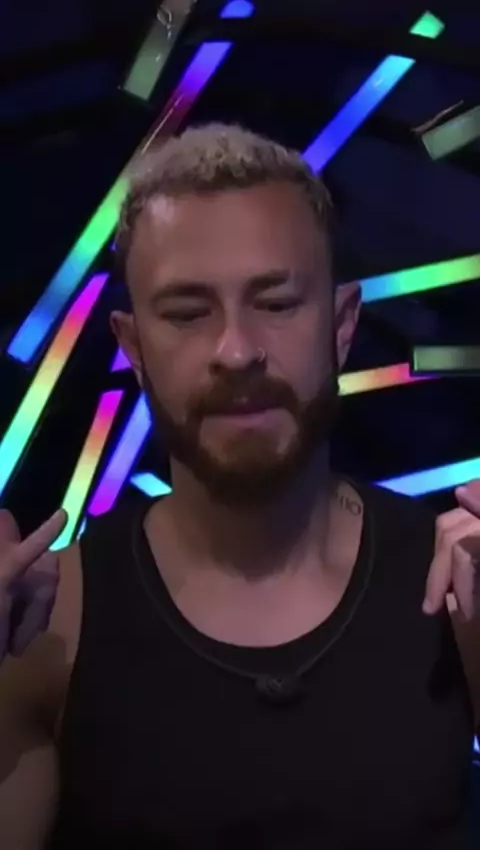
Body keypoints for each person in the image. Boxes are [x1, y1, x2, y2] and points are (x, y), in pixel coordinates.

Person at [0, 123, 479, 849]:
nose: (236, 350)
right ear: (133, 346)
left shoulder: (458, 589)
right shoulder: (47, 626)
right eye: (188, 314)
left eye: (277, 303)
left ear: (342, 325)